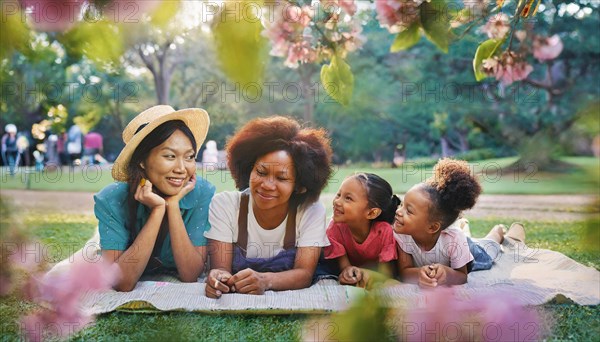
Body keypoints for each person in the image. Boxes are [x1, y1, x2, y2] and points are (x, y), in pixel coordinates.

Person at [204, 116, 333, 298]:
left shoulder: (311, 211)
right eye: (261, 172)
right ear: (249, 168)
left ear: (300, 186)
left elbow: (304, 274)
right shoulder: (225, 205)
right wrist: (219, 278)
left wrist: (265, 281)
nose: (267, 185)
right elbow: (221, 269)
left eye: (281, 178)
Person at [94, 105, 214, 292]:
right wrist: (158, 211)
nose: (182, 168)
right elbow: (121, 282)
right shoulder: (111, 200)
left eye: (189, 157)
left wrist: (172, 205)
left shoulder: (202, 192)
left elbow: (190, 275)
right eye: (170, 156)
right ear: (142, 160)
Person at [393, 158, 526, 288]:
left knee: (487, 248)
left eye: (408, 211)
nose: (399, 212)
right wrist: (419, 274)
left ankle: (498, 232)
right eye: (402, 205)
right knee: (467, 239)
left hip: (469, 250)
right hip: (455, 243)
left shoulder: (454, 239)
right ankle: (464, 226)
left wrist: (447, 274)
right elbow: (405, 272)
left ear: (433, 227)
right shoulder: (402, 235)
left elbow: (462, 276)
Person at [324, 173, 400, 287]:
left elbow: (386, 275)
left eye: (348, 198)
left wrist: (364, 273)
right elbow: (346, 269)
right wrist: (348, 274)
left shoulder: (384, 232)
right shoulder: (335, 228)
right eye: (338, 194)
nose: (337, 202)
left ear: (371, 213)